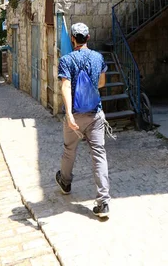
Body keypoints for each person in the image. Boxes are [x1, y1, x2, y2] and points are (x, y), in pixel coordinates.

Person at [55, 22, 111, 218]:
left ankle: (65, 182)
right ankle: (103, 202)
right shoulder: (98, 58)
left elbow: (65, 86)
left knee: (69, 150)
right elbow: (102, 83)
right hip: (95, 115)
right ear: (88, 38)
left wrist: (69, 114)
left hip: (75, 117)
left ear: (72, 39)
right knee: (98, 154)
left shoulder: (66, 60)